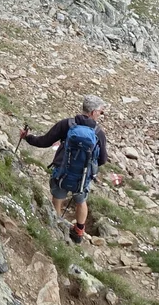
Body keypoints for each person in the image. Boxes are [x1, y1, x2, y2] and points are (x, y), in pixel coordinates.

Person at [21, 96, 109, 243]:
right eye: (101, 112)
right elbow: (103, 160)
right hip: (82, 176)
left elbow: (44, 142)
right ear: (93, 112)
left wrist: (27, 137)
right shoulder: (98, 132)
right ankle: (79, 232)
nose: (101, 114)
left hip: (62, 171)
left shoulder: (66, 124)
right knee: (81, 201)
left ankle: (55, 226)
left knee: (57, 198)